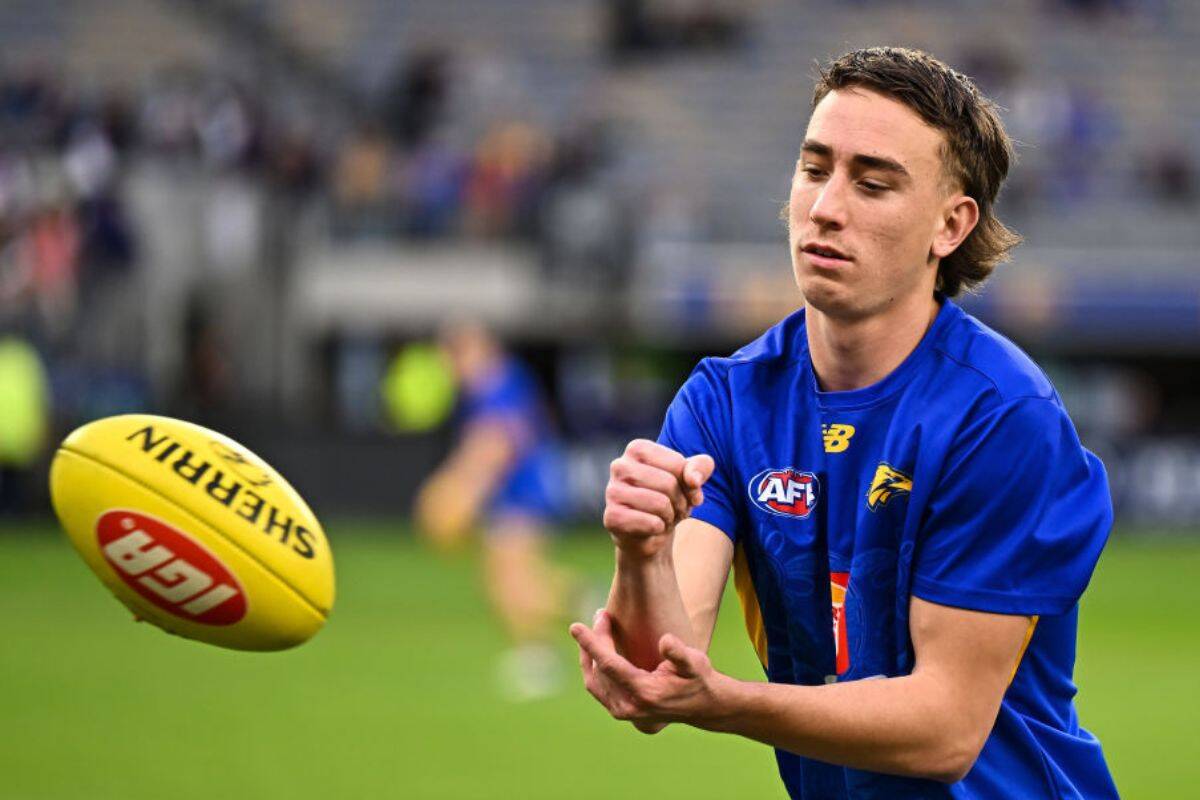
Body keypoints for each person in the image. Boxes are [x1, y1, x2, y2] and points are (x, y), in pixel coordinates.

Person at [570, 47, 1117, 798]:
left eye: (873, 183)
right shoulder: (725, 401)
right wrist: (641, 553)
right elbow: (660, 665)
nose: (826, 207)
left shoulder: (1000, 416)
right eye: (814, 169)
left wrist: (725, 703)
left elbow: (944, 730)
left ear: (950, 226)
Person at [414, 322, 576, 700]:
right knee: (520, 573)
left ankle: (539, 658)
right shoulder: (502, 380)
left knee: (509, 575)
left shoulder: (493, 385)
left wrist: (459, 491)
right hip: (524, 486)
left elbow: (494, 445)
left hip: (523, 489)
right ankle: (593, 604)